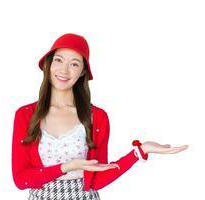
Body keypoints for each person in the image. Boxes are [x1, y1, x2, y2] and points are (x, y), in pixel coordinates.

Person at [11, 33, 189, 200]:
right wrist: (68, 167)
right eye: (58, 60)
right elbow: (21, 180)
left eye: (74, 64)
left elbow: (97, 179)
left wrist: (139, 152)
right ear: (49, 64)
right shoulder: (25, 115)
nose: (64, 70)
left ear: (82, 72)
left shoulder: (97, 117)